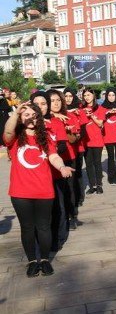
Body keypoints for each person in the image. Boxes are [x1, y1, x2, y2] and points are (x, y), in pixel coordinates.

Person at [3, 102, 75, 277]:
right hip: (20, 192)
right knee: (27, 228)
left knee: (44, 227)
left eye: (33, 115)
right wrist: (16, 114)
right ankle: (31, 261)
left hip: (44, 190)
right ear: (20, 117)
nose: (30, 118)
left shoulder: (46, 137)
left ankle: (44, 260)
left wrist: (61, 167)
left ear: (39, 118)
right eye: (25, 114)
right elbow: (6, 133)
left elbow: (54, 155)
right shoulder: (14, 138)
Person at [32, 91, 70, 252]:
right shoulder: (26, 124)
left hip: (55, 174)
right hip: (34, 177)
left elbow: (61, 146)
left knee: (58, 208)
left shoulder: (56, 123)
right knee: (38, 213)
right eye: (37, 104)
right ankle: (40, 241)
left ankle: (57, 239)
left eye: (44, 104)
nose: (41, 107)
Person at [49, 90, 81, 230]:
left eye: (58, 100)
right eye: (52, 100)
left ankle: (72, 216)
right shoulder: (41, 119)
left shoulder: (69, 116)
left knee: (69, 189)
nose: (56, 103)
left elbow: (74, 139)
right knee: (54, 192)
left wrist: (67, 131)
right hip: (49, 162)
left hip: (68, 158)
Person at [79, 88, 105, 193]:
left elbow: (100, 123)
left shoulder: (100, 108)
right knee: (88, 164)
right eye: (85, 95)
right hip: (85, 140)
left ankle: (99, 185)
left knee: (97, 163)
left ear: (93, 96)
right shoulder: (81, 108)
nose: (87, 97)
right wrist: (82, 113)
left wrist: (92, 116)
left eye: (88, 95)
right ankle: (92, 185)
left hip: (97, 139)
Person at [63, 88, 85, 209]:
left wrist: (76, 138)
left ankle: (79, 196)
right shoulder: (60, 111)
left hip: (78, 146)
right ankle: (70, 198)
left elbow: (84, 129)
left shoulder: (79, 110)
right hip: (64, 148)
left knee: (77, 173)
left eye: (70, 96)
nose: (68, 98)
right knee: (67, 175)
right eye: (66, 96)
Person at [100, 88, 116, 184]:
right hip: (108, 136)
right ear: (106, 96)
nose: (111, 97)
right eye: (109, 95)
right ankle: (111, 177)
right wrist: (107, 113)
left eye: (113, 95)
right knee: (111, 156)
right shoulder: (103, 107)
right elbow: (100, 120)